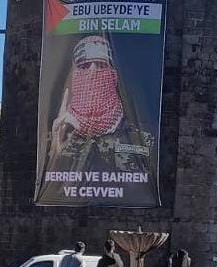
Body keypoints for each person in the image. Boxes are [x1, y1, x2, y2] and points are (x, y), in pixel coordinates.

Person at [45, 35, 155, 177]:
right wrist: (56, 157)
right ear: (74, 74)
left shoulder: (140, 139)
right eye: (84, 66)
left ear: (114, 74)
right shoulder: (56, 135)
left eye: (101, 65)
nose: (92, 73)